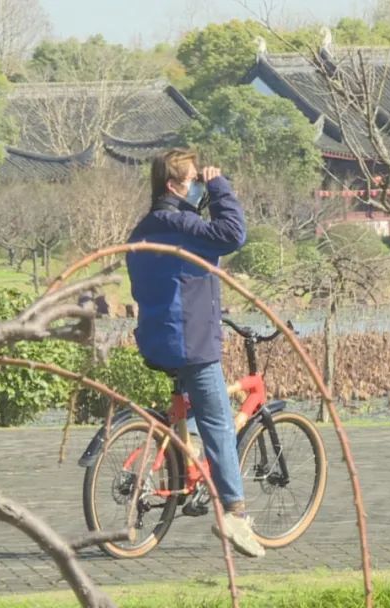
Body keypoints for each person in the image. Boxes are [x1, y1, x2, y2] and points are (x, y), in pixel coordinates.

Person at [126, 148, 264, 558]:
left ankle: (187, 464)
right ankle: (235, 513)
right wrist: (218, 186)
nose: (196, 185)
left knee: (196, 408)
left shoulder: (143, 229)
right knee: (218, 421)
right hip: (191, 342)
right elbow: (233, 234)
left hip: (155, 338)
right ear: (174, 186)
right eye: (192, 180)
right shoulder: (182, 225)